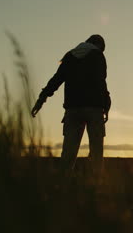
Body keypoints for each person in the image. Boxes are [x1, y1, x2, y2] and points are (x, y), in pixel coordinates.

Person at [31, 34, 111, 176]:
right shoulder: (98, 56)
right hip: (94, 109)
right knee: (97, 151)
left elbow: (56, 80)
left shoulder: (70, 56)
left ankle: (63, 185)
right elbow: (101, 82)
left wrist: (41, 99)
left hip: (73, 110)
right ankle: (98, 185)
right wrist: (106, 105)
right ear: (99, 45)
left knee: (68, 153)